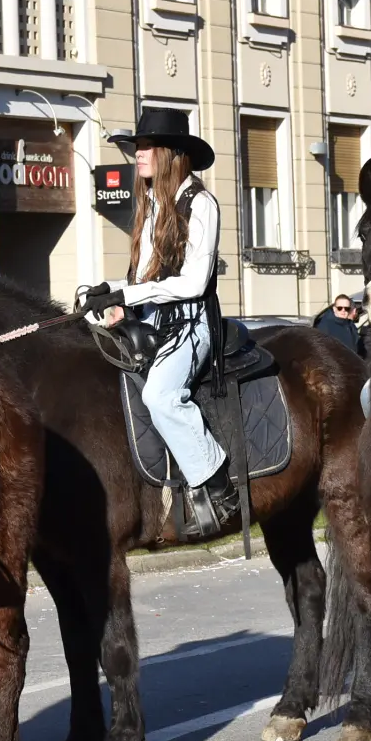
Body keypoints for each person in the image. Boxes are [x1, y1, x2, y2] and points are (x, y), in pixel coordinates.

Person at [81, 107, 239, 532]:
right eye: (138, 146)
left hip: (191, 325)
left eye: (147, 146)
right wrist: (108, 289)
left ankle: (219, 488)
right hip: (151, 320)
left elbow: (192, 282)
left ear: (170, 153)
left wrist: (128, 293)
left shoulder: (201, 203)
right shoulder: (150, 205)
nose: (139, 154)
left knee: (161, 397)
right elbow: (145, 277)